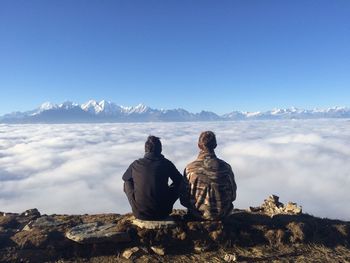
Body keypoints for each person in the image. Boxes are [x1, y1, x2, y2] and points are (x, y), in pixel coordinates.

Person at [122, 135, 183, 220]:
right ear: (160, 150)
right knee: (180, 183)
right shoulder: (166, 163)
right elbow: (180, 180)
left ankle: (139, 205)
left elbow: (125, 178)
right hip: (163, 212)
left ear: (145, 150)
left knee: (127, 182)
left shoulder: (136, 164)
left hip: (140, 213)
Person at [180, 131, 237, 220]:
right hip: (223, 214)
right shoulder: (226, 168)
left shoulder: (189, 169)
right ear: (215, 145)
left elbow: (183, 199)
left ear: (199, 145)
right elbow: (233, 196)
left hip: (197, 215)